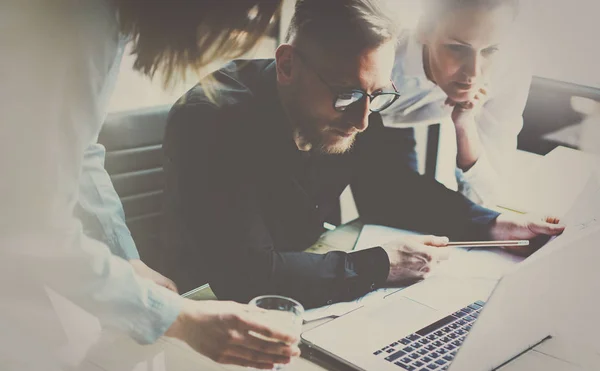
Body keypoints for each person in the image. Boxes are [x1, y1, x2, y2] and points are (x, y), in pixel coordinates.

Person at [162, 0, 564, 310]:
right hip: (199, 304)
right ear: (287, 64)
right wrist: (381, 266)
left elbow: (389, 187)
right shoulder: (214, 120)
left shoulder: (359, 104)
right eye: (347, 94)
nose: (363, 120)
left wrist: (496, 226)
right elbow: (246, 274)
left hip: (307, 287)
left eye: (377, 95)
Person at [0, 0, 301, 370]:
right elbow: (34, 229)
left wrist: (126, 258)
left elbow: (78, 152)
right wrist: (181, 320)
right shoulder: (75, 20)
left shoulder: (105, 21)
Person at [381, 0, 530, 206]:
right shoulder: (383, 47)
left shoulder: (510, 71)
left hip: (396, 133)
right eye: (457, 48)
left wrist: (465, 127)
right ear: (424, 30)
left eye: (490, 50)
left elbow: (488, 194)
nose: (473, 73)